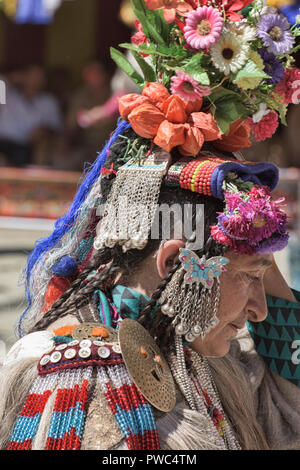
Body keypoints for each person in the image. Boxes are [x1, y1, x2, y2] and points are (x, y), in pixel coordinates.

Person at [1, 0, 300, 451]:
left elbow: (291, 377)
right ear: (177, 260)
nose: (259, 310)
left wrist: (236, 197)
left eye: (263, 274)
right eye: (250, 277)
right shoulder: (79, 379)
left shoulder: (206, 354)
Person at [0, 64, 63, 167]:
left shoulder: (49, 101)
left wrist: (44, 130)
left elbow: (58, 129)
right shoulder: (9, 95)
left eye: (39, 77)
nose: (35, 80)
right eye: (31, 76)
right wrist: (14, 77)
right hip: (2, 142)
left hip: (26, 147)